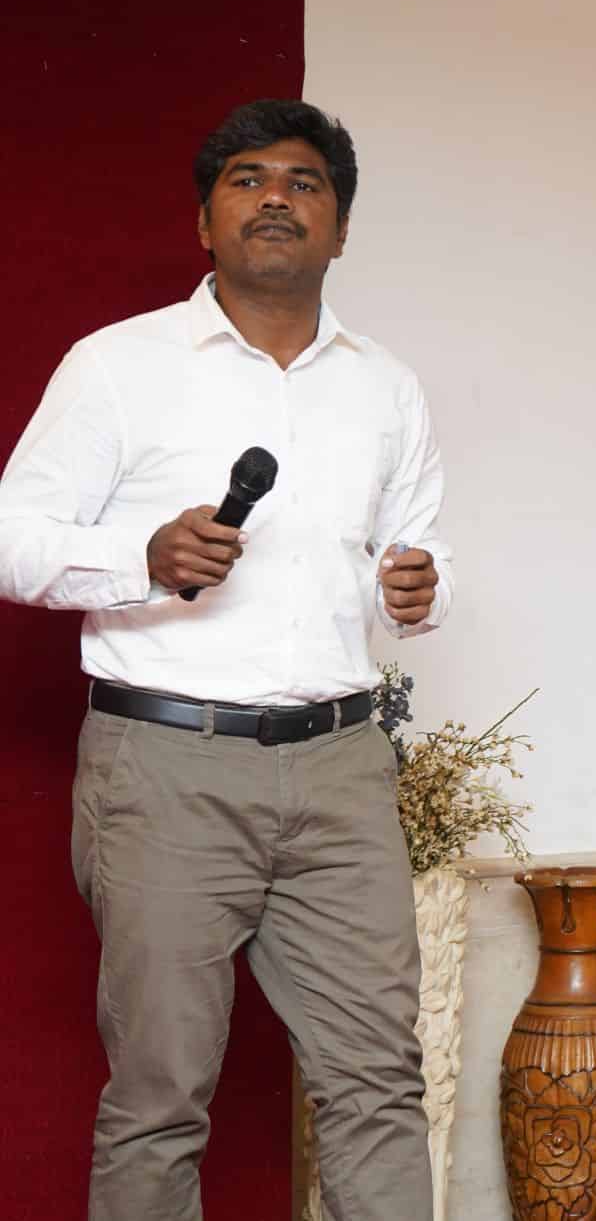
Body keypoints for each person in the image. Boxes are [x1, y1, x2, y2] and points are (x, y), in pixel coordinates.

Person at [0, 100, 450, 1220]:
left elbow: (416, 552)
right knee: (160, 1098)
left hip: (342, 771)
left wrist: (422, 588)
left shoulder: (386, 385)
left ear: (340, 227)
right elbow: (13, 537)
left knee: (380, 1083)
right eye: (247, 179)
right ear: (205, 221)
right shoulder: (118, 365)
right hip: (167, 767)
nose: (276, 198)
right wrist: (140, 557)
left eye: (305, 182)